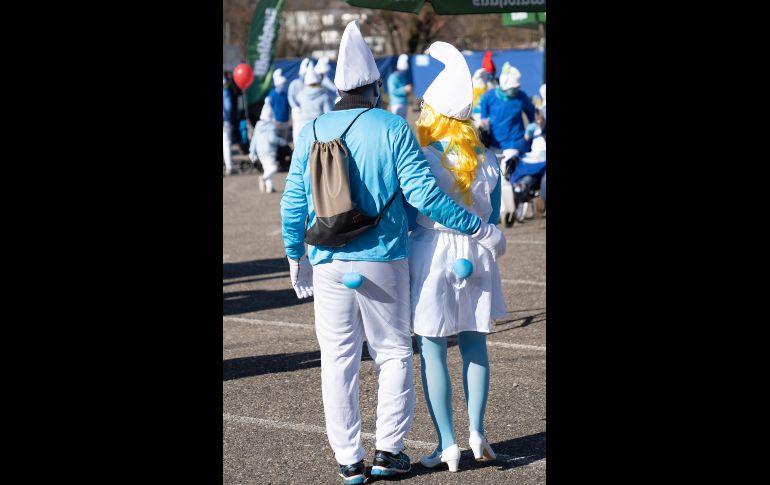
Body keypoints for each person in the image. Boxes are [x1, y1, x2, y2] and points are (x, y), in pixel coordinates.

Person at [280, 20, 506, 485]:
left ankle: (348, 460)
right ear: (376, 87)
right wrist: (477, 226)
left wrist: (293, 255)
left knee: (337, 358)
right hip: (383, 257)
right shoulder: (393, 127)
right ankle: (389, 451)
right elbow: (425, 196)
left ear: (338, 88)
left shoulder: (312, 129)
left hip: (327, 260)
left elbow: (293, 202)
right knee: (393, 354)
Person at [408, 41, 506, 473]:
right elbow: (497, 210)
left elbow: (414, 209)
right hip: (479, 251)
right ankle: (478, 431)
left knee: (432, 349)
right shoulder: (489, 159)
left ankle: (446, 444)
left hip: (432, 252)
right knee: (475, 345)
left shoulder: (423, 156)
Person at [479, 61, 536, 178]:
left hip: (514, 141)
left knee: (507, 173)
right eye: (512, 89)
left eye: (517, 88)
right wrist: (483, 120)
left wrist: (531, 125)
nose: (515, 92)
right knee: (494, 175)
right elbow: (484, 105)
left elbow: (530, 110)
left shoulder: (521, 97)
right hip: (495, 142)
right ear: (504, 86)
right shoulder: (490, 96)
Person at [249, 102, 289, 193]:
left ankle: (269, 188)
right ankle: (263, 178)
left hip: (260, 151)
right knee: (273, 168)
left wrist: (252, 152)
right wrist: (282, 142)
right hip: (269, 151)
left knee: (267, 169)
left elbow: (254, 140)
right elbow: (272, 139)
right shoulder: (271, 127)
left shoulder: (258, 126)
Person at [511, 122, 546, 222]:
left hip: (538, 163)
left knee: (541, 179)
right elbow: (525, 142)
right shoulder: (534, 127)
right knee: (530, 177)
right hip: (534, 162)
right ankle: (523, 188)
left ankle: (541, 203)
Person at [295, 61, 332, 136]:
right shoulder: (324, 96)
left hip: (303, 127)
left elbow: (297, 103)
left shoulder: (301, 95)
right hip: (319, 128)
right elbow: (328, 114)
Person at [288, 57, 311, 145]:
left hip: (306, 111)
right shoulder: (294, 83)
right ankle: (296, 145)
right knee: (297, 129)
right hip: (297, 111)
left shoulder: (308, 84)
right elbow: (290, 97)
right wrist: (295, 106)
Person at [266, 68, 291, 141]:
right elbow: (270, 107)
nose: (283, 86)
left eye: (283, 84)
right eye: (282, 84)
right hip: (276, 122)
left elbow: (287, 107)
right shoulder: (272, 95)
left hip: (285, 121)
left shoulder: (284, 95)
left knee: (284, 140)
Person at [386, 54, 412, 119]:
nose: (404, 72)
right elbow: (393, 91)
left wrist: (407, 91)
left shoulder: (403, 77)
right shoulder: (392, 77)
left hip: (404, 103)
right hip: (396, 104)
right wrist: (405, 89)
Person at [223, 75, 234, 176]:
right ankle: (229, 167)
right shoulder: (225, 92)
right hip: (225, 122)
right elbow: (228, 107)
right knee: (226, 145)